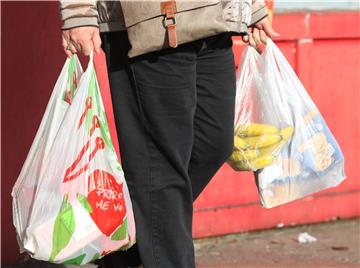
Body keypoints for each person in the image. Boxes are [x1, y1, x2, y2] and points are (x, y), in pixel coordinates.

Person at [59, 1, 278, 267]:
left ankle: (121, 251)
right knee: (161, 168)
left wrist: (250, 8)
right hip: (150, 24)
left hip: (214, 19)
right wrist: (78, 13)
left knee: (214, 143)